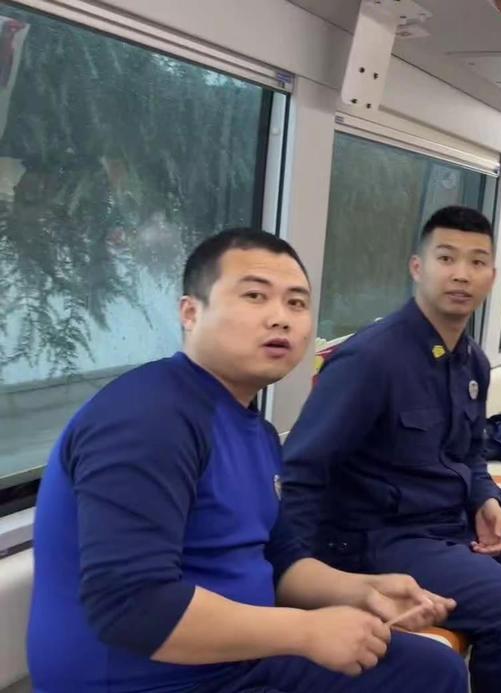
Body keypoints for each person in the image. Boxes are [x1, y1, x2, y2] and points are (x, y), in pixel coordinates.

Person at [26, 229, 467, 693]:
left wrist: (363, 591)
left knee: (433, 670)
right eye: (255, 296)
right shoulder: (147, 419)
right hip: (148, 680)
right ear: (190, 313)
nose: (281, 318)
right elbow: (131, 605)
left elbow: (279, 558)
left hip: (234, 662)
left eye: (296, 303)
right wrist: (305, 631)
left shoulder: (254, 428)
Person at [282, 206, 501, 693]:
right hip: (380, 538)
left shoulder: (473, 362)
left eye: (477, 262)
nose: (461, 274)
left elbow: (470, 453)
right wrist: (297, 581)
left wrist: (485, 498)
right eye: (446, 258)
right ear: (417, 267)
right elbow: (302, 469)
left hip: (449, 518)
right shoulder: (370, 359)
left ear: (491, 277)